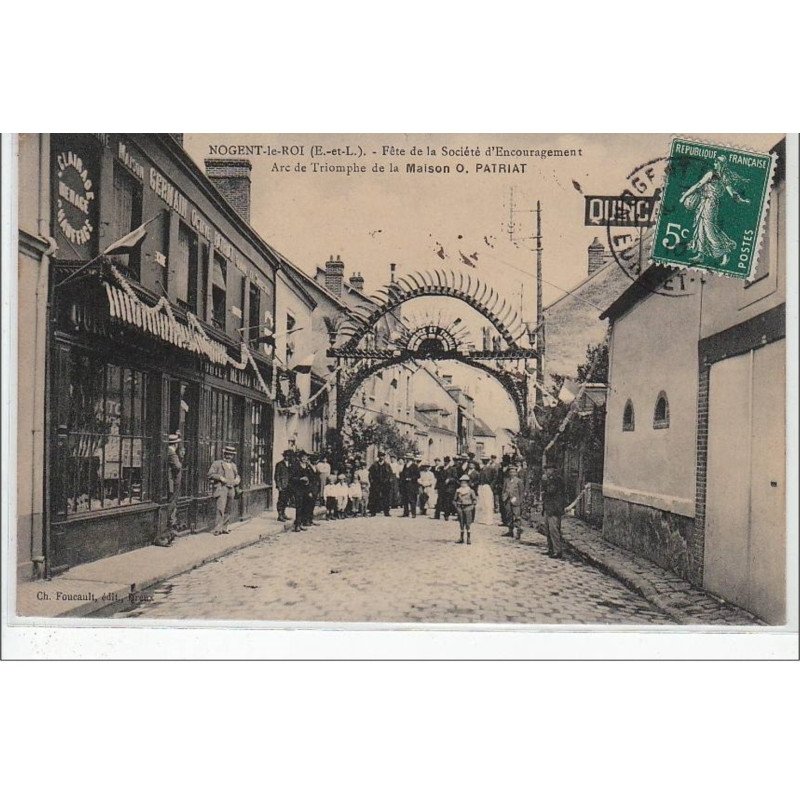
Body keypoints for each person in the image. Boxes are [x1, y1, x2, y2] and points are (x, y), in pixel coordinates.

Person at [207, 445, 240, 535]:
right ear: (224, 454)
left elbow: (237, 475)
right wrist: (220, 478)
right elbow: (210, 474)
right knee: (220, 508)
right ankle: (217, 529)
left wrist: (237, 479)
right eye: (227, 454)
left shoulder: (233, 465)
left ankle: (225, 528)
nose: (229, 456)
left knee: (228, 508)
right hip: (221, 488)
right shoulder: (217, 463)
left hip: (231, 488)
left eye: (231, 455)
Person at [541, 461, 566, 558]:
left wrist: (545, 481)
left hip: (555, 508)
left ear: (553, 470)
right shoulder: (551, 479)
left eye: (548, 470)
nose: (546, 472)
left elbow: (551, 491)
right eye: (546, 470)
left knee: (554, 530)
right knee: (548, 530)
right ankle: (551, 549)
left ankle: (557, 551)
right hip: (548, 508)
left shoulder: (556, 479)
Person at [453, 474, 477, 544]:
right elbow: (454, 500)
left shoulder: (471, 491)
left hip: (468, 507)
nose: (463, 484)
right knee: (461, 522)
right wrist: (456, 506)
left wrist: (472, 507)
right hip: (460, 507)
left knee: (468, 523)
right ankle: (461, 538)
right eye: (462, 482)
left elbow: (474, 500)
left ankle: (468, 538)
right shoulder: (458, 491)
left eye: (465, 482)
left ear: (467, 483)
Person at [503, 464, 524, 540]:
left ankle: (517, 532)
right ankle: (510, 530)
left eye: (513, 472)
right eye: (510, 472)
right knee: (509, 515)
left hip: (516, 500)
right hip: (507, 500)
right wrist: (504, 497)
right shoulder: (506, 480)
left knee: (516, 516)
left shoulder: (519, 481)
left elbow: (521, 492)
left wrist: (520, 501)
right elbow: (504, 490)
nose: (512, 473)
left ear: (516, 473)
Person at [368, 452, 393, 516]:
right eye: (380, 456)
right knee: (374, 497)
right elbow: (370, 474)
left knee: (386, 498)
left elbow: (390, 474)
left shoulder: (387, 465)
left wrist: (388, 481)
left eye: (383, 456)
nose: (381, 457)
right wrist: (372, 481)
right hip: (376, 484)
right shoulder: (374, 465)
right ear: (378, 457)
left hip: (385, 484)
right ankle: (373, 512)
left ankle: (386, 512)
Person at [274, 449, 293, 522]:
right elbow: (277, 476)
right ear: (284, 456)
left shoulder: (291, 464)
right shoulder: (279, 464)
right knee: (281, 500)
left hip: (289, 485)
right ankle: (280, 515)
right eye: (286, 456)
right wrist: (279, 486)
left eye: (289, 456)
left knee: (286, 500)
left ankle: (284, 513)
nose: (287, 457)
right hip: (282, 485)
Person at [475, 458, 495, 525]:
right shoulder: (482, 469)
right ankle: (484, 519)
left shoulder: (491, 468)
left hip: (487, 486)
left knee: (488, 503)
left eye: (486, 461)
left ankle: (489, 520)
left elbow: (495, 478)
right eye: (483, 461)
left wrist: (491, 486)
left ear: (488, 461)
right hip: (481, 486)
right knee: (482, 503)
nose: (485, 462)